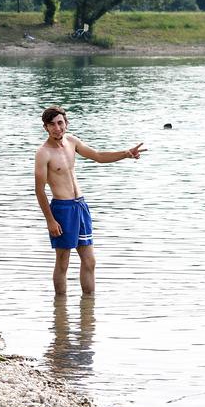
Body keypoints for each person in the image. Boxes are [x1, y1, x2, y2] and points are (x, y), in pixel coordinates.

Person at [33, 105, 144, 296]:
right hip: (62, 209)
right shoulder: (43, 153)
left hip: (80, 206)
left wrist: (125, 154)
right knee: (63, 261)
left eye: (60, 123)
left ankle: (88, 309)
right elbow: (39, 190)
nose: (57, 128)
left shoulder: (72, 142)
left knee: (90, 260)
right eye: (51, 125)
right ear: (46, 128)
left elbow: (98, 156)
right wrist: (50, 220)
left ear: (66, 123)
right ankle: (61, 308)